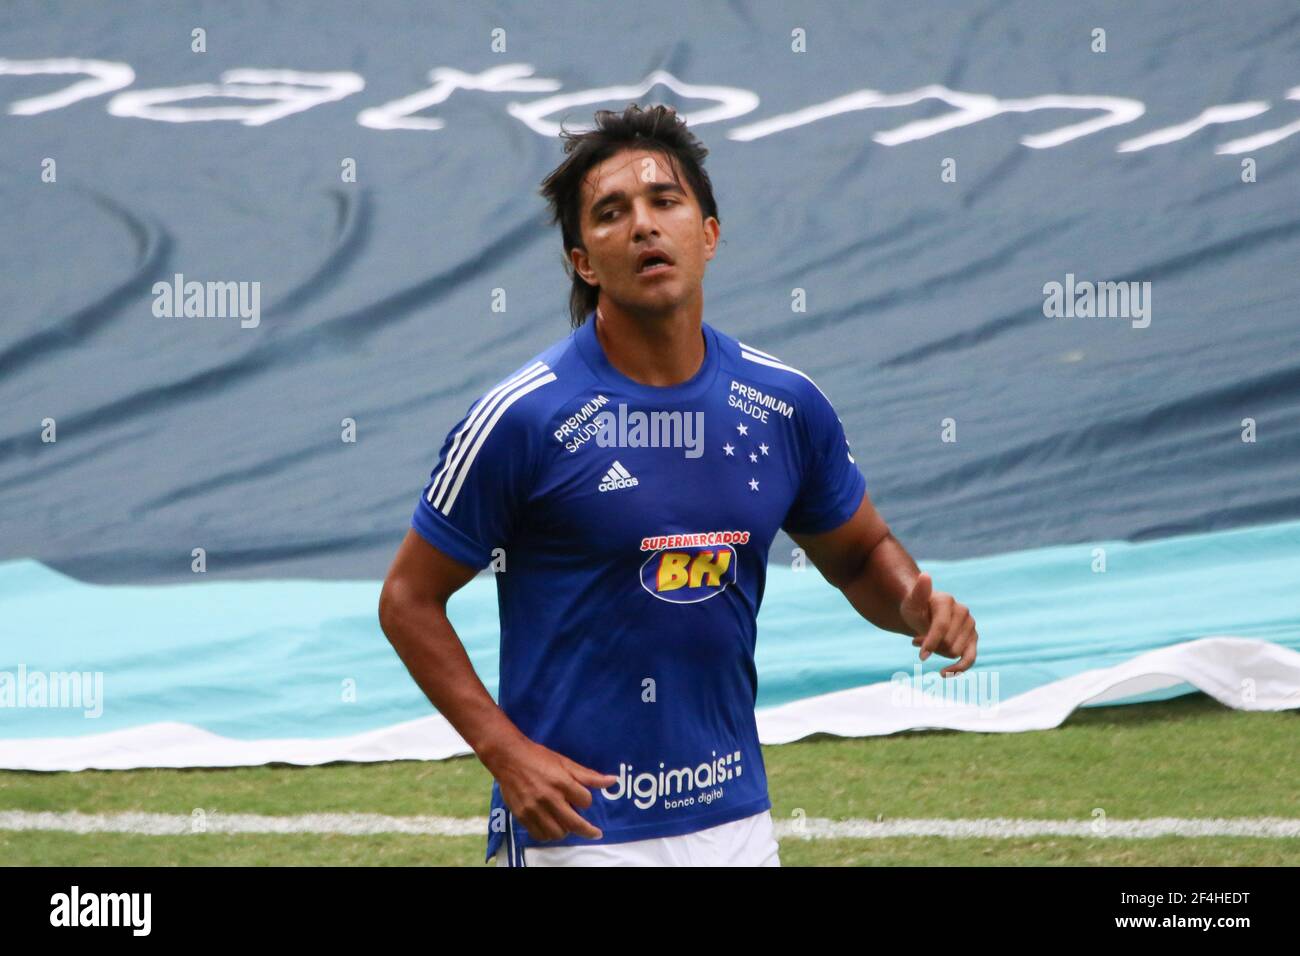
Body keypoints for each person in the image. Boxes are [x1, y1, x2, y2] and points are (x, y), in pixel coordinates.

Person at [378, 103, 978, 867]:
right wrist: (505, 752)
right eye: (611, 212)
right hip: (583, 830)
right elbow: (407, 598)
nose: (643, 225)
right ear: (583, 261)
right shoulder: (523, 418)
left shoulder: (783, 405)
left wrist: (913, 605)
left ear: (709, 233)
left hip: (735, 818)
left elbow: (859, 555)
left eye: (665, 201)